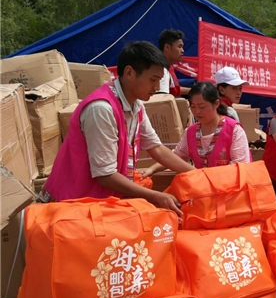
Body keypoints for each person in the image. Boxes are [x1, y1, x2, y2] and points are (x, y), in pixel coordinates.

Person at [44, 41, 195, 215]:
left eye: (159, 81)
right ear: (129, 73)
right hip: (74, 204)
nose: (156, 87)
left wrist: (200, 175)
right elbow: (105, 175)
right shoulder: (101, 109)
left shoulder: (136, 105)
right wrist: (154, 196)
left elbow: (156, 148)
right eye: (153, 80)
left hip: (100, 201)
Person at [143, 82, 250, 177]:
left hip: (231, 190)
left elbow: (240, 166)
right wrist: (152, 169)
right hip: (202, 188)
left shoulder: (234, 130)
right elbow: (176, 157)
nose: (197, 112)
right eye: (193, 107)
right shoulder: (191, 132)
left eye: (202, 107)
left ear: (216, 104)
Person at [157, 29, 190, 97]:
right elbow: (161, 99)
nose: (182, 50)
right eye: (179, 46)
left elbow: (173, 89)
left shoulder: (168, 67)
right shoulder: (161, 70)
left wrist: (196, 91)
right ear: (167, 47)